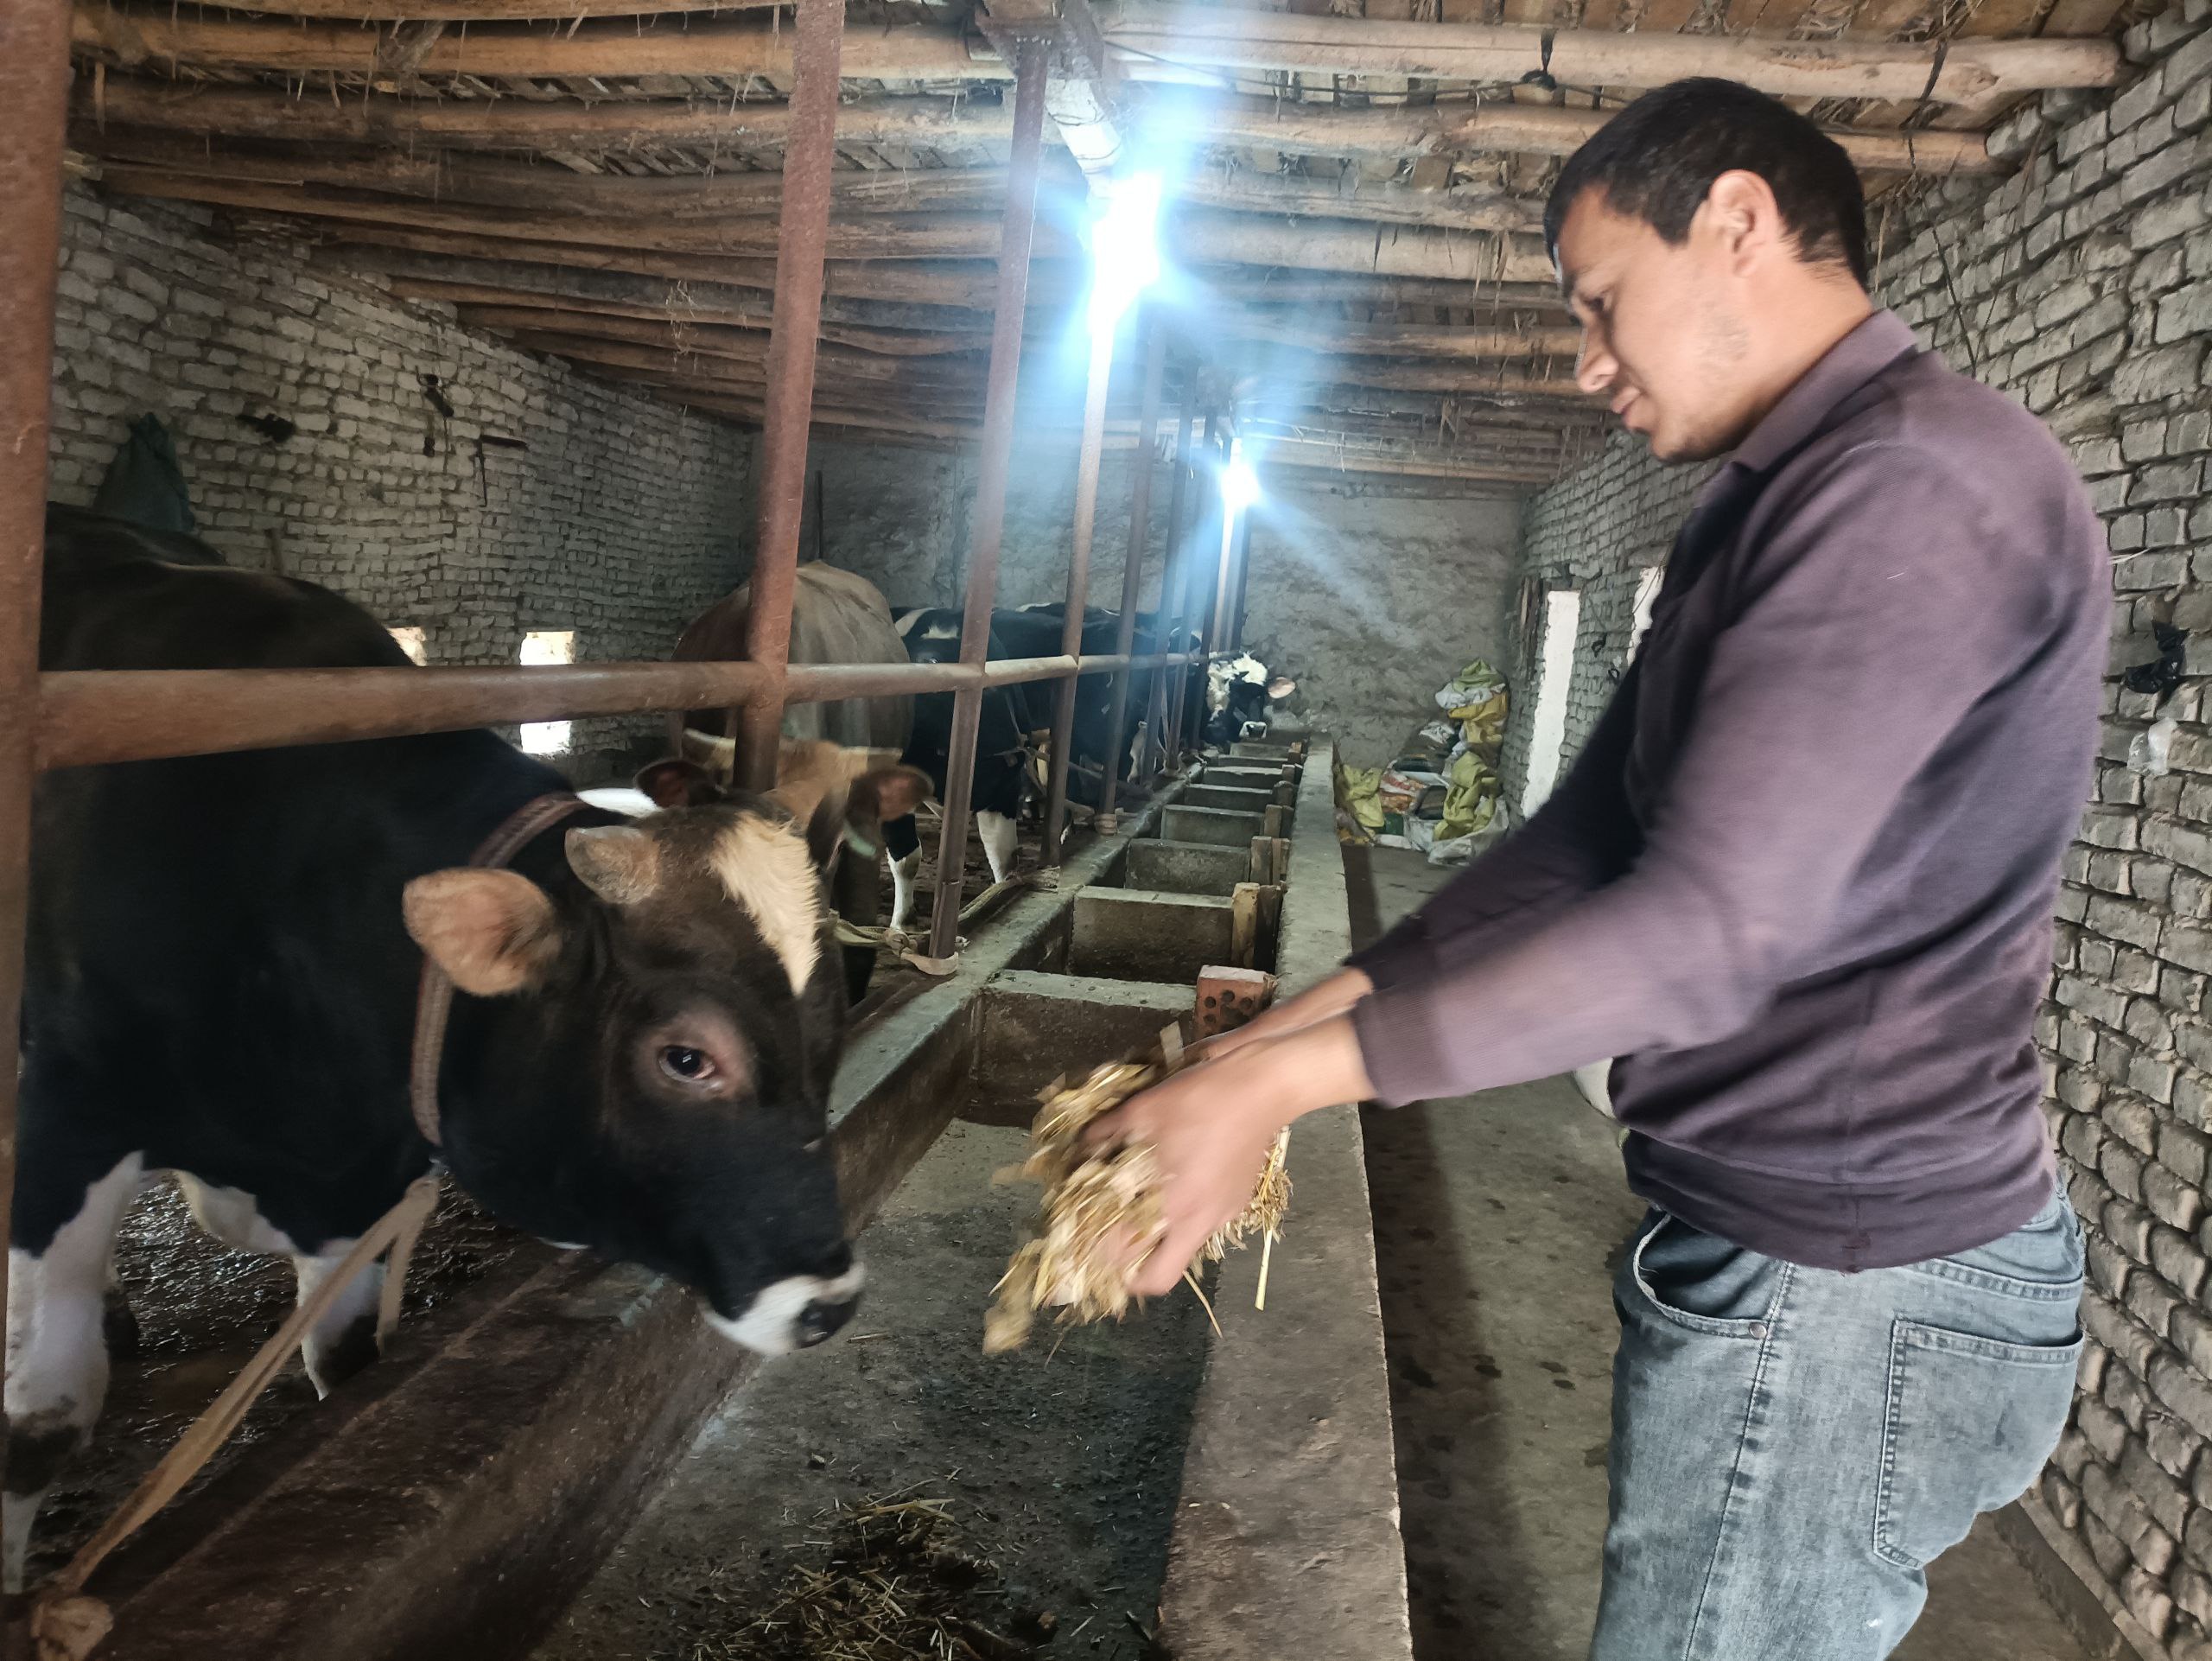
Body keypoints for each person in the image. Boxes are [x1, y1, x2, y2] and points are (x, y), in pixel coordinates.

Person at [1090, 78, 2105, 1660]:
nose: (1586, 361)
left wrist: (1287, 1087)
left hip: (1848, 1281)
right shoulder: (1771, 499)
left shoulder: (1914, 483)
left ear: (1740, 222)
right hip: (1800, 1255)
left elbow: (1709, 932)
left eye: (1599, 298)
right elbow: (1586, 841)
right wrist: (1285, 1032)